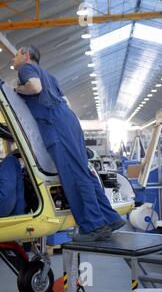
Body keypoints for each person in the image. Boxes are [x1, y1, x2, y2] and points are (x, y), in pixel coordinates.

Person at [13, 45, 126, 242]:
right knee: (83, 171)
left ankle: (93, 225)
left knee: (73, 175)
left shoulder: (26, 69)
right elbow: (66, 101)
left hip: (55, 124)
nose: (13, 60)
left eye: (16, 55)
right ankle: (109, 217)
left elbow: (35, 88)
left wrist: (17, 89)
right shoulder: (50, 75)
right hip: (68, 120)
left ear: (26, 55)